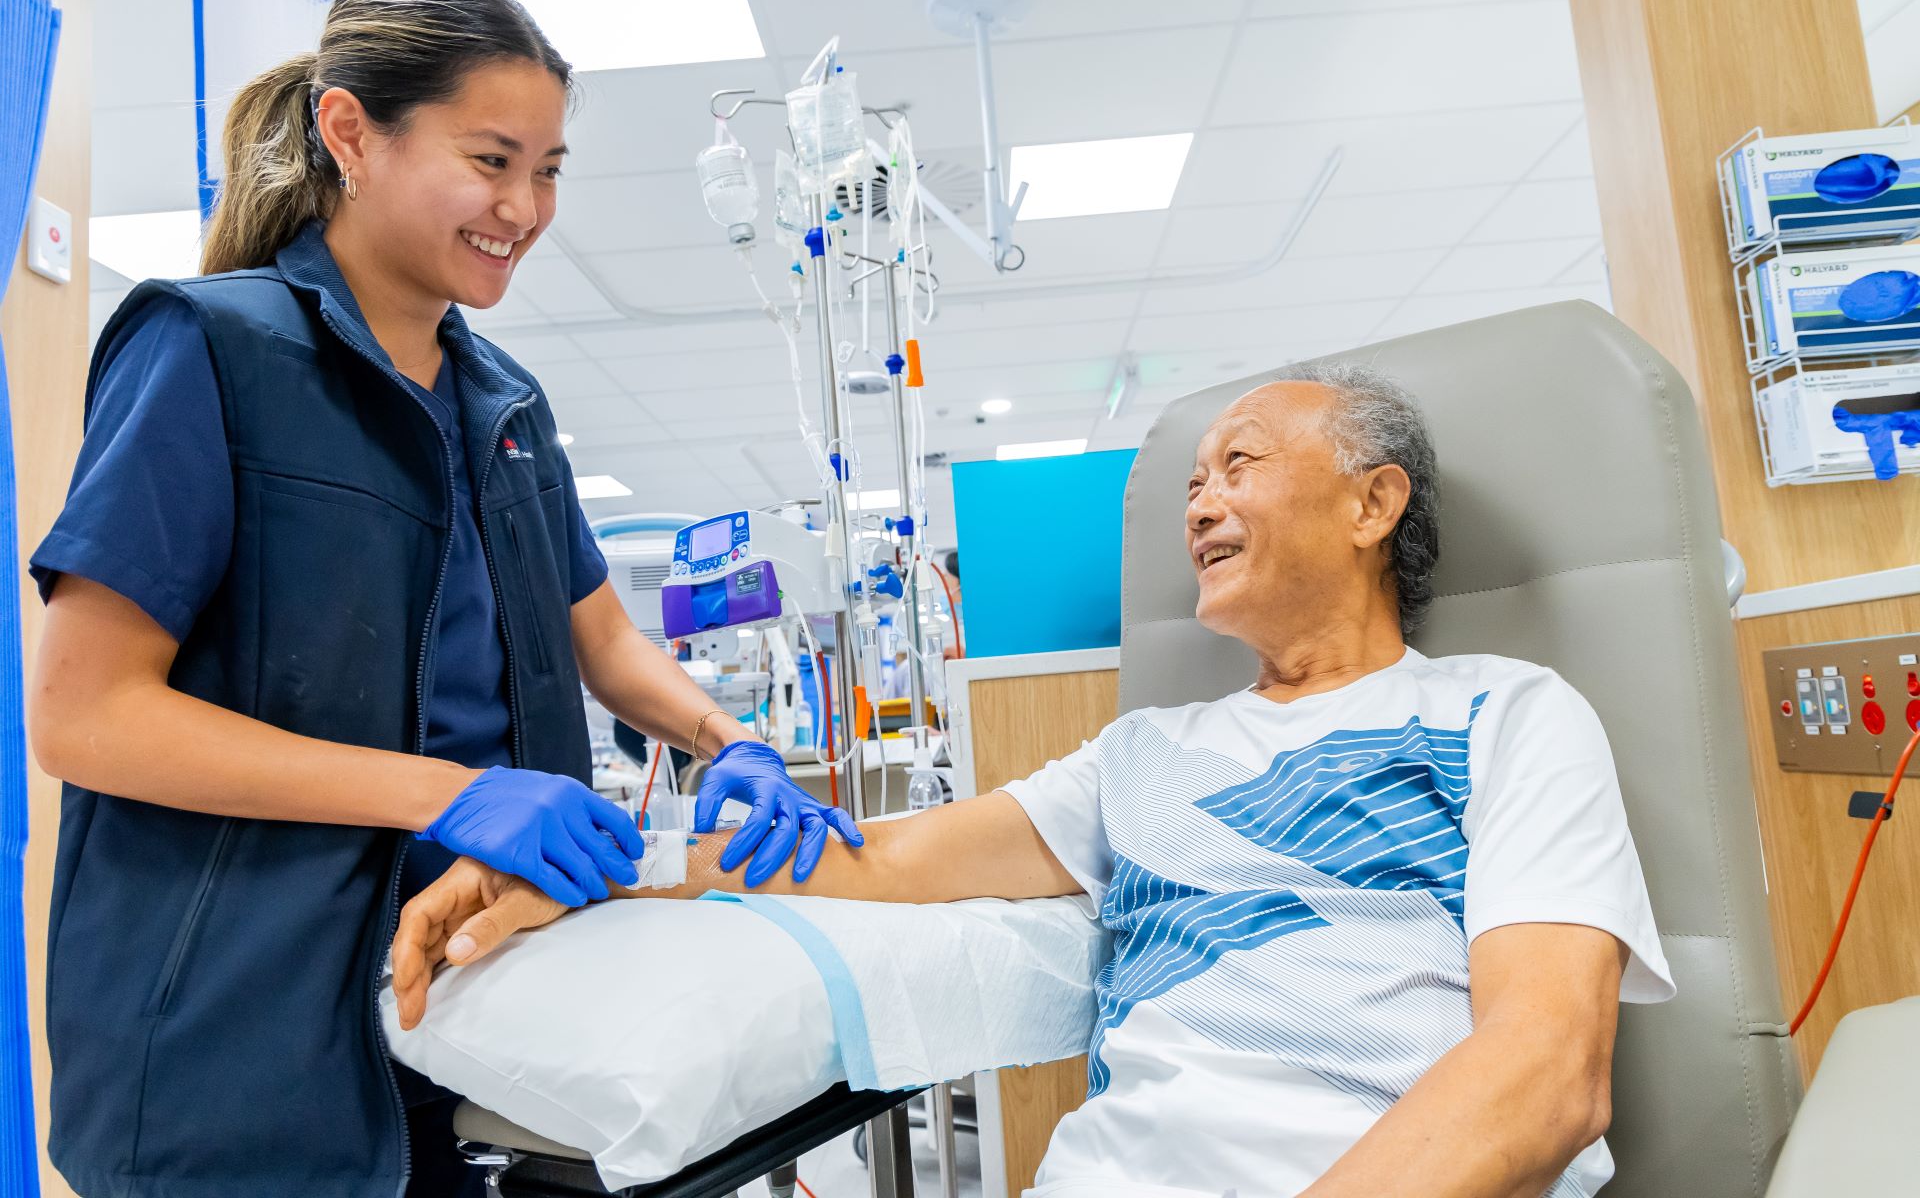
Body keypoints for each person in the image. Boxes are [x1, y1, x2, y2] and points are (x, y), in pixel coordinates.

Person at [396, 363, 1677, 1197]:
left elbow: (1549, 1062)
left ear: (1372, 502)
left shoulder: (1504, 713)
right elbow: (883, 861)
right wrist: (603, 877)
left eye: (1240, 466)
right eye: (1191, 484)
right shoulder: (1144, 756)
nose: (1199, 505)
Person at [26, 0, 855, 1198]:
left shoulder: (504, 405)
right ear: (350, 134)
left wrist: (726, 738)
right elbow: (84, 714)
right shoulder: (208, 351)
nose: (525, 205)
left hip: (484, 995)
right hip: (246, 1031)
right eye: (492, 159)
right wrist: (449, 791)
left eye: (551, 169)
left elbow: (604, 636)